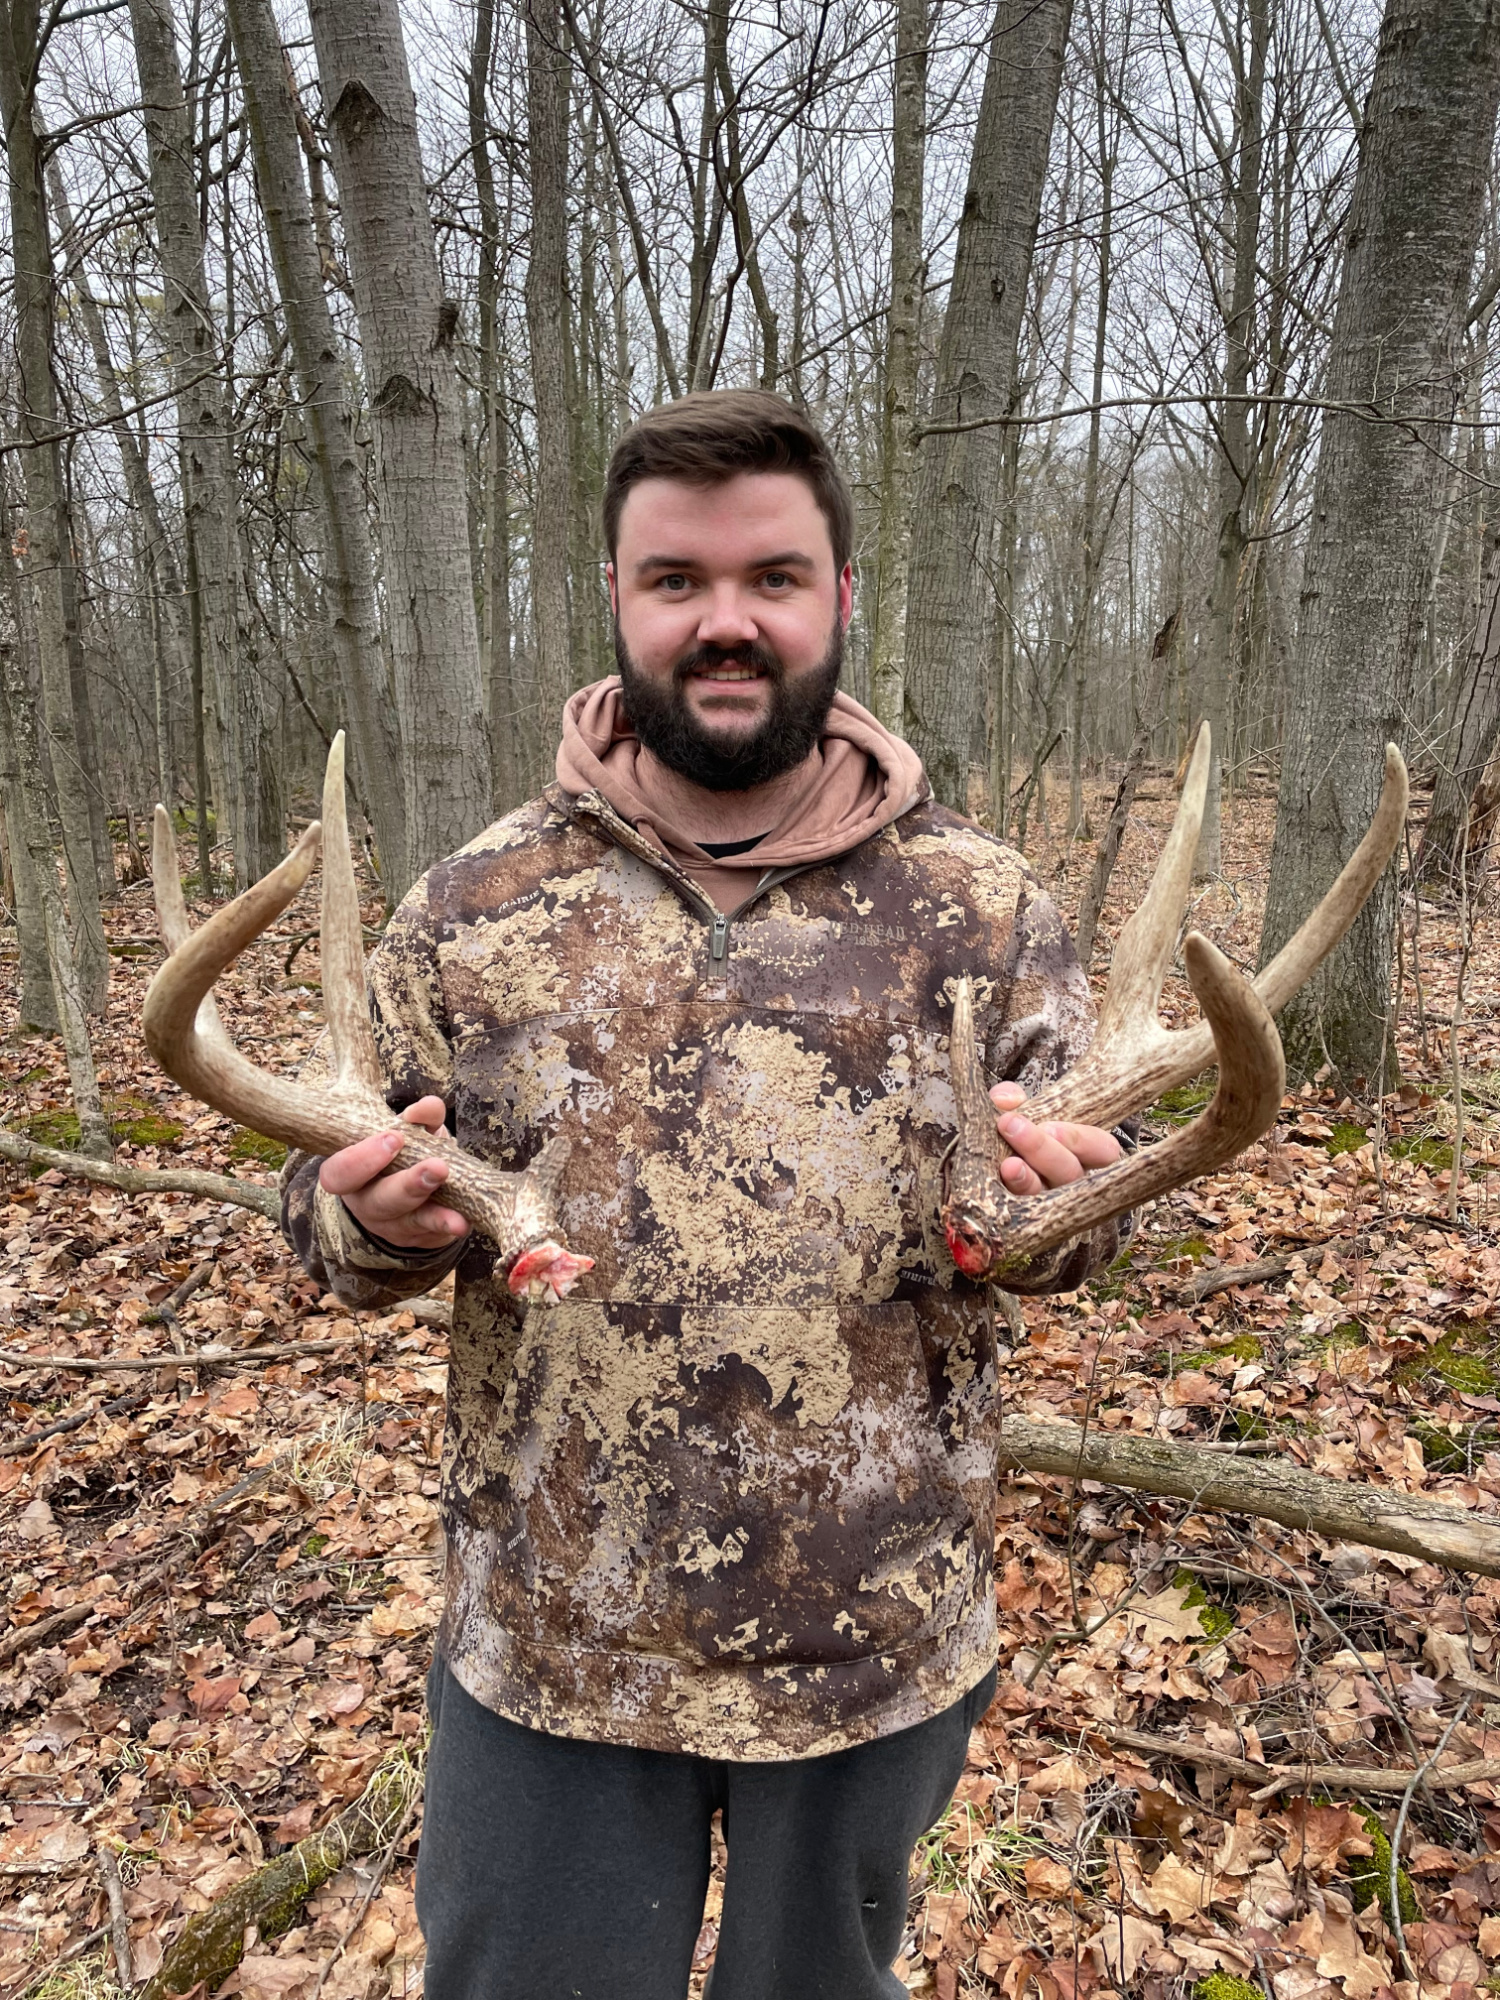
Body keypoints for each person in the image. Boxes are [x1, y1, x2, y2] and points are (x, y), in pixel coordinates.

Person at [281, 390, 1126, 2000]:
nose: (725, 622)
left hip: (870, 1645)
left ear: (840, 597)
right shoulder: (470, 909)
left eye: (772, 579)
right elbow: (321, 1211)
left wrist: (1067, 1208)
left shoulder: (981, 907)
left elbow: (1086, 1207)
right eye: (677, 581)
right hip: (551, 1655)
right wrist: (363, 1222)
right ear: (617, 592)